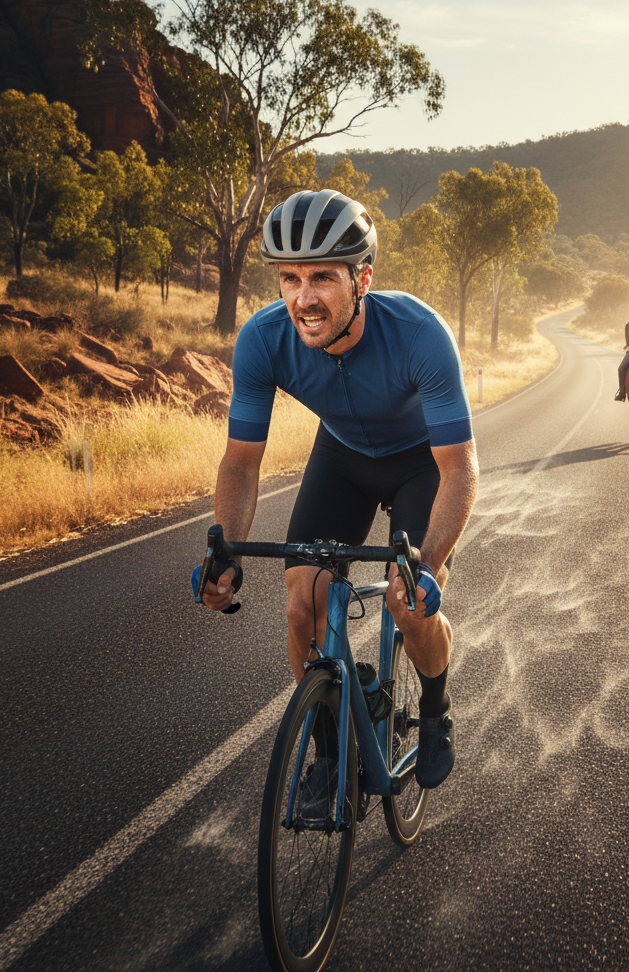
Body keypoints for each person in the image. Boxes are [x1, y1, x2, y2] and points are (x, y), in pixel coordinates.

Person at [199, 189, 479, 799]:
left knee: (410, 605)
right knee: (302, 604)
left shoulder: (418, 334)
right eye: (289, 278)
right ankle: (330, 754)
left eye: (323, 277)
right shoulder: (263, 340)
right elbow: (242, 462)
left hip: (420, 465)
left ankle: (435, 707)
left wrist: (427, 565)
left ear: (363, 278)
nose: (303, 298)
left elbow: (460, 468)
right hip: (342, 459)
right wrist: (228, 555)